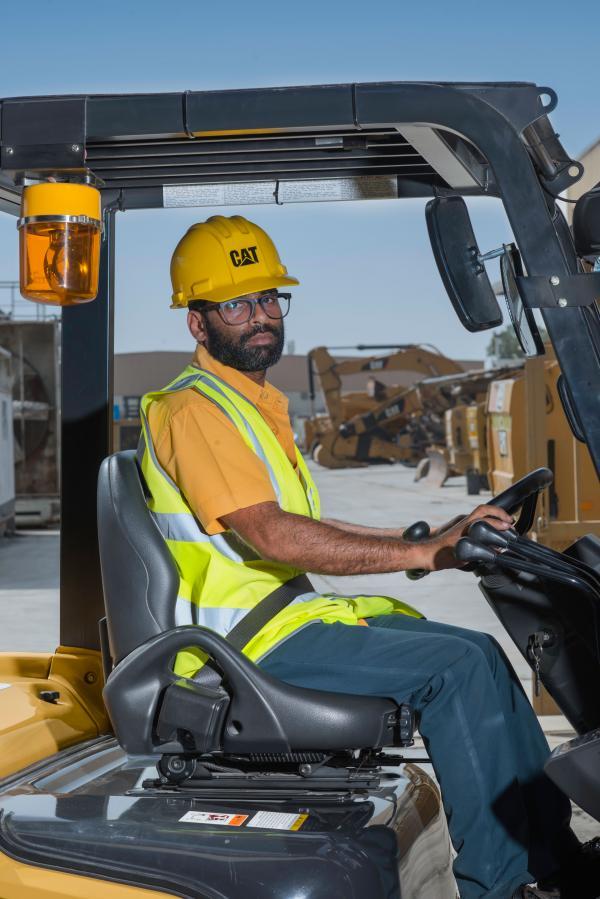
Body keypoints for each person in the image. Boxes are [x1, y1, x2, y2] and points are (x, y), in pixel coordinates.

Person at [140, 214, 597, 899]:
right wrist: (424, 550)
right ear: (197, 324)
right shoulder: (194, 410)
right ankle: (499, 886)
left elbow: (300, 525)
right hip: (241, 646)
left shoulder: (249, 403)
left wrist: (442, 536)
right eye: (236, 304)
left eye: (268, 298)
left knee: (483, 656)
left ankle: (555, 862)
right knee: (457, 668)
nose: (260, 316)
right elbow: (273, 535)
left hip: (284, 622)